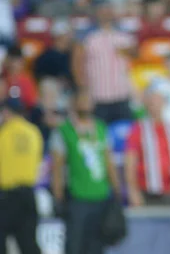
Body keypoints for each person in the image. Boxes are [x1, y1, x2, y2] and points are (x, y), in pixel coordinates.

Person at [50, 90, 122, 254]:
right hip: (78, 197)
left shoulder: (100, 128)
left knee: (97, 246)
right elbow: (57, 168)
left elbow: (108, 161)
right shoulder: (64, 131)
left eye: (88, 101)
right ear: (74, 104)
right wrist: (58, 195)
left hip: (101, 196)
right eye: (82, 100)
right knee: (75, 246)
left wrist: (117, 190)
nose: (86, 105)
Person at [0, 93, 43, 254]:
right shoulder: (34, 133)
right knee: (29, 245)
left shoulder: (3, 133)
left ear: (6, 112)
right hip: (28, 195)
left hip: (6, 196)